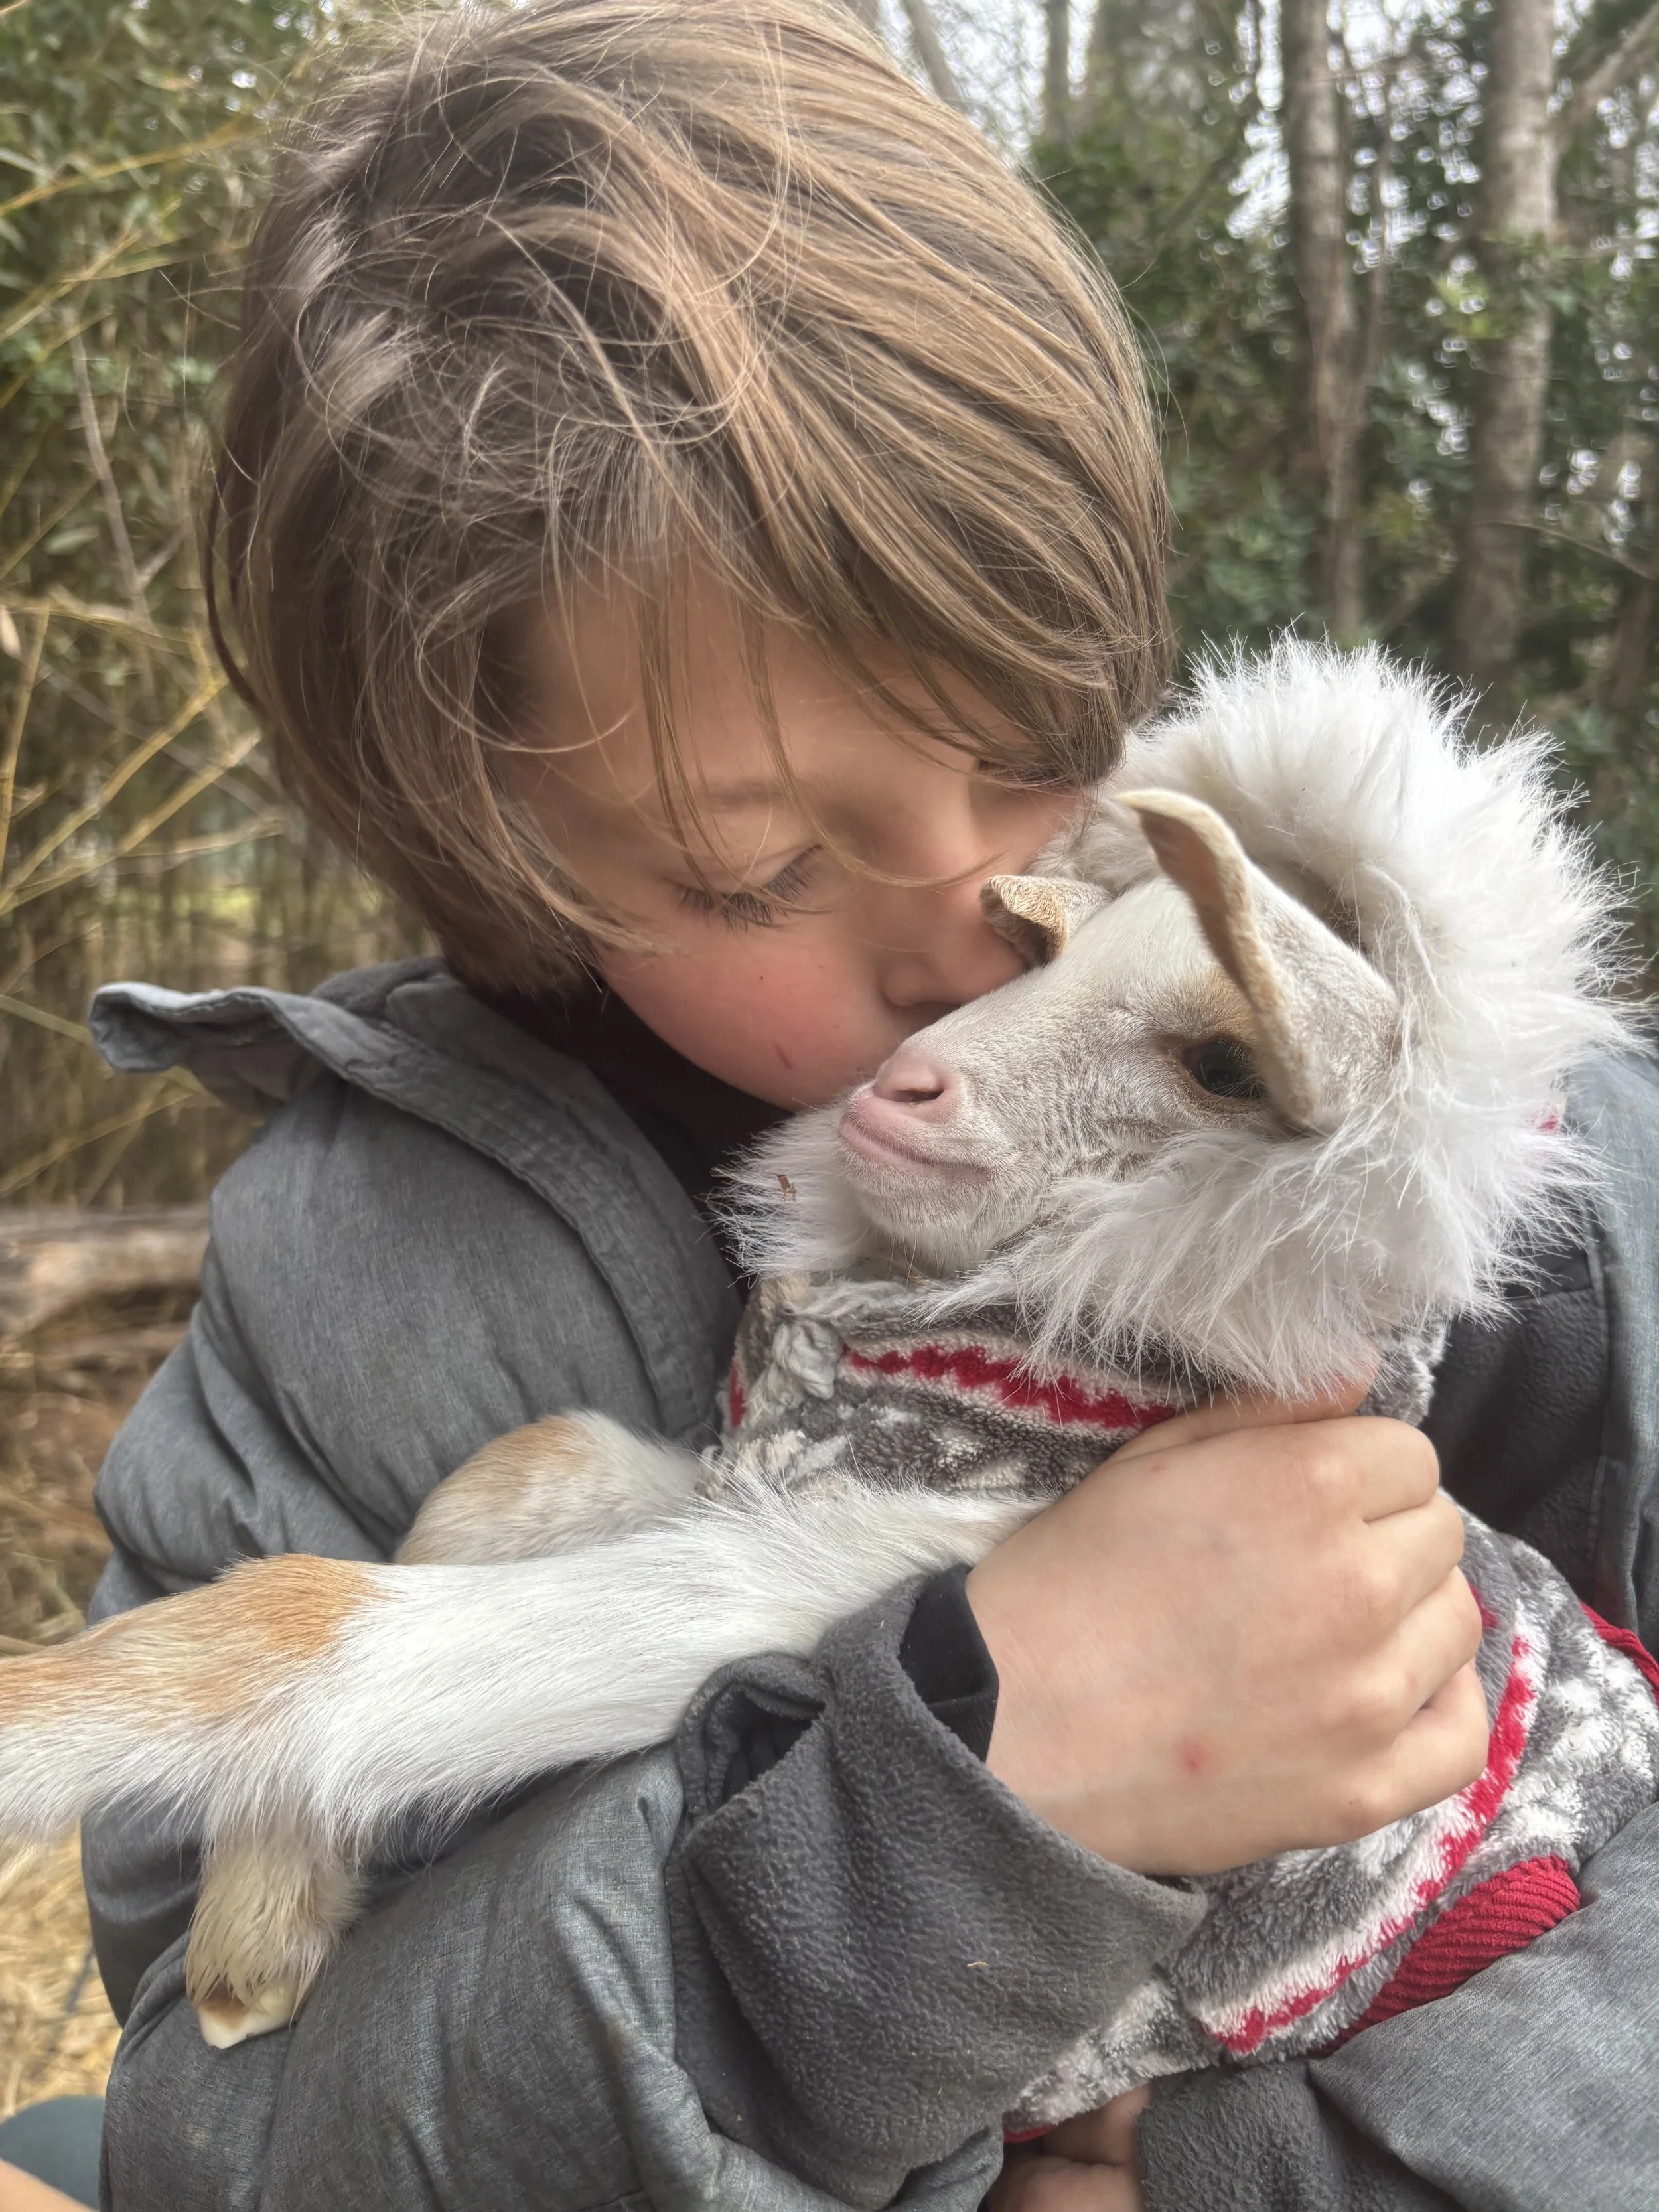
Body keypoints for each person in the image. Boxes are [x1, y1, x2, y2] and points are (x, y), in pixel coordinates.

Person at [67, 3, 1659, 2207]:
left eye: (1037, 734)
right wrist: (934, 1842)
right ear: (491, 854)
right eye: (749, 868)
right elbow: (221, 2132)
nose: (969, 923)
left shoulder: (1496, 1173)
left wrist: (1236, 2174)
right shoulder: (354, 1289)